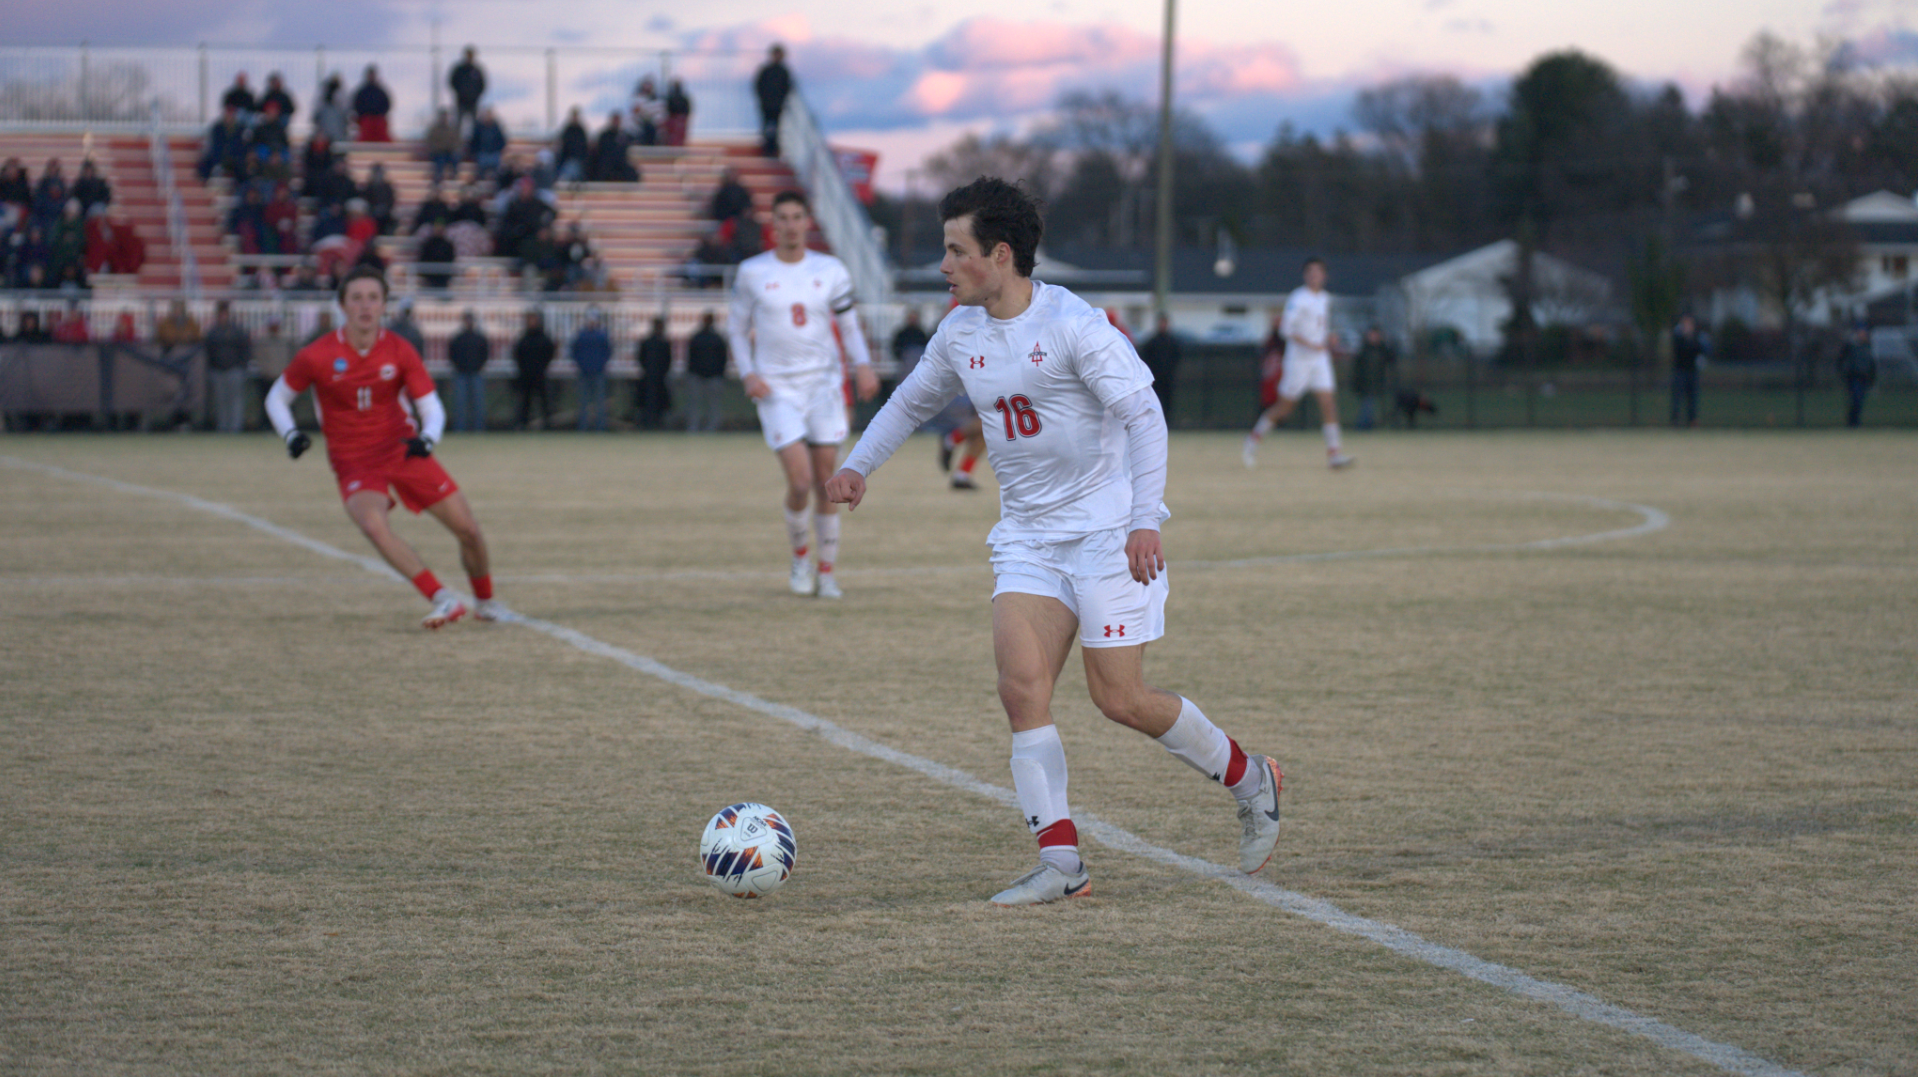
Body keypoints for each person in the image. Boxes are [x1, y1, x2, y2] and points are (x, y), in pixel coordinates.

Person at [823, 177, 1284, 906]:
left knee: (1121, 699)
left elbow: (1145, 418)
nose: (943, 266)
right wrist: (855, 465)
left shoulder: (1076, 325)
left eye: (955, 250)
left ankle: (1250, 776)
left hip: (1106, 535)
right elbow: (911, 400)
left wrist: (1141, 521)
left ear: (999, 255)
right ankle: (1062, 864)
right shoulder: (959, 332)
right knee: (1021, 688)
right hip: (1029, 539)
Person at [264, 265, 501, 629]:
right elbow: (276, 398)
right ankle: (443, 598)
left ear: (383, 305)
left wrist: (428, 438)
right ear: (343, 305)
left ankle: (485, 602)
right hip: (354, 461)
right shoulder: (317, 354)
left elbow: (429, 405)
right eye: (356, 297)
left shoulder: (399, 349)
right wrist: (290, 434)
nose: (365, 305)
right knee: (373, 525)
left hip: (402, 449)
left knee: (468, 529)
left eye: (373, 298)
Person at [728, 189, 879, 599]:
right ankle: (800, 559)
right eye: (783, 218)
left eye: (797, 217)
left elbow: (848, 326)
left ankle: (826, 573)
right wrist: (748, 374)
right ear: (772, 224)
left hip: (823, 386)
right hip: (777, 389)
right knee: (799, 481)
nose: (791, 225)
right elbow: (737, 330)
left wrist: (862, 364)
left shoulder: (829, 269)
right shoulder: (752, 272)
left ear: (807, 221)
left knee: (826, 481)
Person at [1242, 257, 1354, 469]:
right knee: (1284, 408)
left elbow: (1319, 328)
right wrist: (1311, 344)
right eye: (1310, 272)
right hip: (1298, 361)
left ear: (1324, 276)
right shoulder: (1298, 297)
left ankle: (1334, 455)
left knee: (1328, 403)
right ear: (1305, 276)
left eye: (1318, 272)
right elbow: (1286, 329)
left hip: (1319, 359)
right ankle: (1253, 439)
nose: (1314, 276)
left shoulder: (1324, 298)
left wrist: (1329, 338)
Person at [203, 299, 252, 433]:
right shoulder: (212, 332)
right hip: (217, 370)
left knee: (235, 400)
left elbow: (246, 349)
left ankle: (236, 427)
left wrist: (242, 366)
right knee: (221, 400)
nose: (223, 316)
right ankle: (223, 426)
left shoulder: (237, 330)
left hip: (235, 369)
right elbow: (208, 350)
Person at [511, 308, 556, 430]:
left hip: (540, 374)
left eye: (534, 319)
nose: (532, 322)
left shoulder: (544, 339)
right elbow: (517, 355)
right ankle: (522, 424)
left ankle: (547, 425)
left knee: (544, 401)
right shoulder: (523, 339)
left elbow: (550, 353)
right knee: (525, 401)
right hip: (526, 374)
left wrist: (543, 367)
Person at [684, 310, 728, 433]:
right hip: (698, 375)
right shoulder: (698, 337)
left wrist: (720, 374)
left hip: (713, 376)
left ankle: (712, 427)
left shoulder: (717, 338)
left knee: (713, 404)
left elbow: (722, 358)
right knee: (694, 403)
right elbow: (690, 357)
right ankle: (693, 426)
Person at [447, 309, 491, 433]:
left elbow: (485, 355)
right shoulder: (458, 338)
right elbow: (452, 355)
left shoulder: (479, 338)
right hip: (461, 373)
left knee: (478, 404)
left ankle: (479, 428)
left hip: (476, 372)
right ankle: (460, 429)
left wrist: (478, 366)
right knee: (460, 404)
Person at [572, 309, 614, 431]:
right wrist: (580, 364)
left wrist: (601, 364)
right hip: (584, 372)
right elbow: (574, 351)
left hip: (598, 371)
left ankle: (600, 427)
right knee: (583, 401)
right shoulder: (581, 335)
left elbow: (608, 351)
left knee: (600, 401)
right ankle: (583, 426)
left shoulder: (601, 335)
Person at [1349, 326, 1396, 431]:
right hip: (1364, 383)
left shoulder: (1382, 349)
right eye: (1372, 335)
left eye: (1376, 335)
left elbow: (1391, 358)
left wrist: (1391, 345)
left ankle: (1365, 427)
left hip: (1377, 383)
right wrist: (1356, 382)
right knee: (1367, 405)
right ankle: (1362, 427)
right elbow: (1357, 368)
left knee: (1369, 405)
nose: (1374, 337)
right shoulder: (1363, 350)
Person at [1138, 312, 1181, 421]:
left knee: (1168, 400)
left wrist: (1171, 369)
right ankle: (1156, 420)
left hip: (1168, 377)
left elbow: (1177, 356)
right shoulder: (1152, 342)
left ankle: (1168, 421)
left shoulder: (1172, 342)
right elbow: (1145, 356)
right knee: (1155, 399)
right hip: (1155, 377)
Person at [634, 316, 673, 429]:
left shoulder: (659, 343)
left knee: (657, 403)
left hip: (657, 376)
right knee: (649, 402)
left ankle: (655, 423)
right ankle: (649, 423)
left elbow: (668, 360)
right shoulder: (650, 342)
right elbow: (642, 358)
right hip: (651, 376)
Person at [754, 45, 793, 156]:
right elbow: (758, 86)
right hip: (766, 105)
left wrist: (781, 100)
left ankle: (773, 148)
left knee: (777, 127)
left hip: (777, 105)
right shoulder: (766, 70)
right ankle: (767, 148)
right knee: (766, 126)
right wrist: (763, 99)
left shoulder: (784, 71)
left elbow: (787, 88)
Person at [1838, 323, 1877, 428]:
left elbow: (1872, 364)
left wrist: (1872, 379)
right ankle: (1852, 422)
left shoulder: (1867, 346)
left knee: (1860, 401)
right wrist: (1842, 373)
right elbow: (1841, 360)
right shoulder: (1851, 346)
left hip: (1864, 377)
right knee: (1856, 399)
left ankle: (1855, 422)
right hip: (1853, 377)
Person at [1670, 313, 1705, 427]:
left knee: (1692, 398)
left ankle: (1692, 420)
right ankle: (1675, 420)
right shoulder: (1678, 338)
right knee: (1677, 397)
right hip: (1680, 371)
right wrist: (1686, 338)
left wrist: (1690, 339)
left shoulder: (1696, 338)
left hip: (1692, 371)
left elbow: (1699, 351)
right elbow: (1679, 351)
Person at [449, 47, 487, 135]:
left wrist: (475, 96)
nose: (469, 57)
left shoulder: (477, 70)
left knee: (475, 126)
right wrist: (460, 93)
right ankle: (457, 145)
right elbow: (452, 82)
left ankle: (473, 146)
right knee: (458, 125)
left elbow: (482, 85)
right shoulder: (459, 69)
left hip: (473, 102)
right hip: (461, 102)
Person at [351, 65, 392, 143]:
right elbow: (357, 105)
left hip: (379, 121)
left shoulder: (380, 91)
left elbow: (387, 104)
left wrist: (379, 114)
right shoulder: (362, 92)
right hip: (366, 121)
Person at [424, 109, 461, 186]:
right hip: (438, 152)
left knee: (456, 157)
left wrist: (451, 147)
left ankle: (454, 174)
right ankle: (438, 178)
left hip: (450, 151)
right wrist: (440, 147)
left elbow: (457, 142)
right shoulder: (434, 129)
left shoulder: (452, 129)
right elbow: (430, 142)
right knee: (440, 159)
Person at [417, 220, 457, 290]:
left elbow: (451, 259)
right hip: (429, 276)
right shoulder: (428, 244)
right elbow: (423, 258)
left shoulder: (448, 244)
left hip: (444, 276)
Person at [664, 79, 692, 147]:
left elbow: (687, 109)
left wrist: (682, 117)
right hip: (673, 119)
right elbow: (668, 108)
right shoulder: (671, 98)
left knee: (680, 135)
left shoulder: (683, 98)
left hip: (680, 119)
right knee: (672, 136)